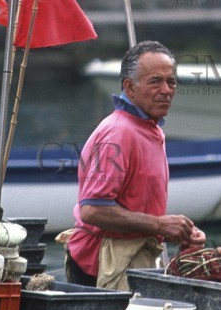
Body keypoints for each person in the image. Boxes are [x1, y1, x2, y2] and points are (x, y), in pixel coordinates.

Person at [65, 41, 206, 290]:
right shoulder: (119, 133)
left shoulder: (150, 129)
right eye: (155, 82)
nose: (166, 90)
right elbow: (93, 210)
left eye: (171, 82)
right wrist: (161, 225)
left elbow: (138, 202)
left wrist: (182, 232)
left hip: (134, 254)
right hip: (102, 261)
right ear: (130, 87)